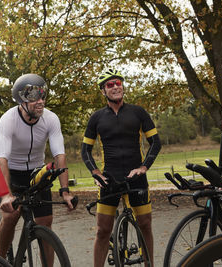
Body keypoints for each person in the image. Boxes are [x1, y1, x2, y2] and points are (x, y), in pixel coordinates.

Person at [81, 68, 161, 267]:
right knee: (102, 230)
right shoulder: (97, 118)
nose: (115, 87)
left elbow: (156, 142)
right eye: (110, 84)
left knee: (145, 224)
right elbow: (85, 150)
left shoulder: (138, 112)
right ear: (103, 91)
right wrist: (96, 172)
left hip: (136, 178)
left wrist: (143, 167)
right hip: (109, 179)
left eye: (118, 83)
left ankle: (149, 264)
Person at [0, 73, 75, 263]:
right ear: (21, 101)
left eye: (43, 96)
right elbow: (2, 159)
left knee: (45, 223)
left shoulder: (51, 119)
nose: (40, 101)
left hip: (37, 173)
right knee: (11, 215)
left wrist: (65, 192)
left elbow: (59, 155)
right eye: (33, 97)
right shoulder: (8, 119)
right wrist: (6, 195)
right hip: (11, 172)